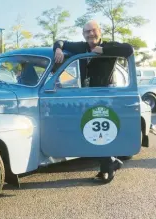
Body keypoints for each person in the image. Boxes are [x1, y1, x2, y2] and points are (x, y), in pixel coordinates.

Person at [53, 20, 134, 183]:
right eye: (87, 31)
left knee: (102, 132)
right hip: (87, 95)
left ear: (99, 31)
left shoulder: (110, 45)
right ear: (83, 34)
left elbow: (129, 49)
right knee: (88, 132)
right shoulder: (81, 47)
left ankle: (108, 167)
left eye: (93, 30)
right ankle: (110, 162)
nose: (90, 34)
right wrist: (58, 49)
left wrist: (103, 50)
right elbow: (60, 41)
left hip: (106, 95)